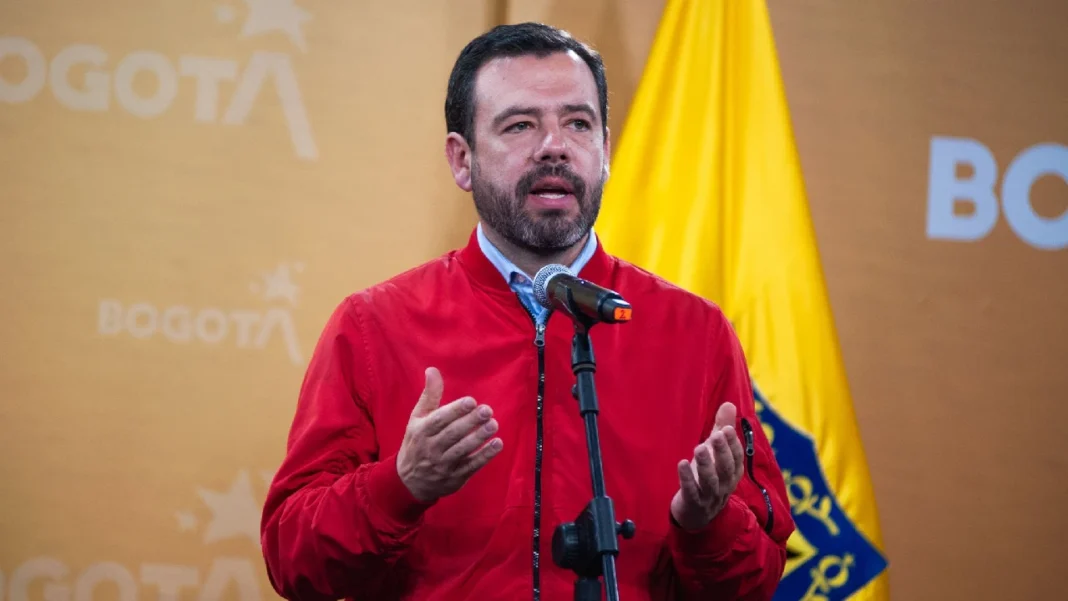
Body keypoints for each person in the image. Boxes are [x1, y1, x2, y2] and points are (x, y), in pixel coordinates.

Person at [260, 22, 794, 601]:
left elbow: (758, 580)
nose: (554, 146)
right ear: (461, 160)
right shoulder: (373, 327)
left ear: (605, 150)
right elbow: (294, 561)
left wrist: (706, 524)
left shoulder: (694, 332)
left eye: (578, 124)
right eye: (520, 125)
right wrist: (401, 486)